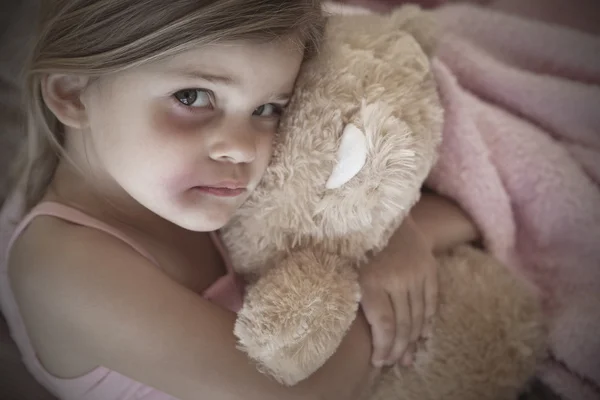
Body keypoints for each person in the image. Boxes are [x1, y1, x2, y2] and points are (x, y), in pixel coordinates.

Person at [0, 1, 478, 399]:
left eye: (268, 109)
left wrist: (395, 233)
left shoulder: (182, 184)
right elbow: (298, 389)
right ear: (74, 93)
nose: (245, 147)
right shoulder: (63, 267)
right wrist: (374, 258)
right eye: (192, 96)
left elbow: (458, 212)